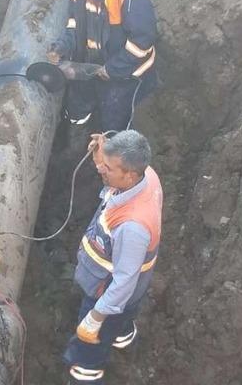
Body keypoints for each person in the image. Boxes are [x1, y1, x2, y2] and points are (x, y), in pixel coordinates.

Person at [63, 130, 163, 384]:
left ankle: (87, 371)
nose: (101, 170)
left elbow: (123, 283)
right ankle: (122, 335)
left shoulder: (132, 228)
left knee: (88, 346)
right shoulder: (146, 176)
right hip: (132, 291)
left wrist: (95, 318)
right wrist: (103, 155)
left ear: (128, 175)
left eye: (107, 167)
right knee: (124, 313)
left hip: (105, 289)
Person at [48, 0, 159, 132]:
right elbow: (75, 22)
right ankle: (75, 132)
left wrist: (112, 69)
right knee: (76, 105)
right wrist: (63, 45)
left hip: (125, 74)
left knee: (114, 125)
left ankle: (109, 149)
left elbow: (143, 43)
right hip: (95, 64)